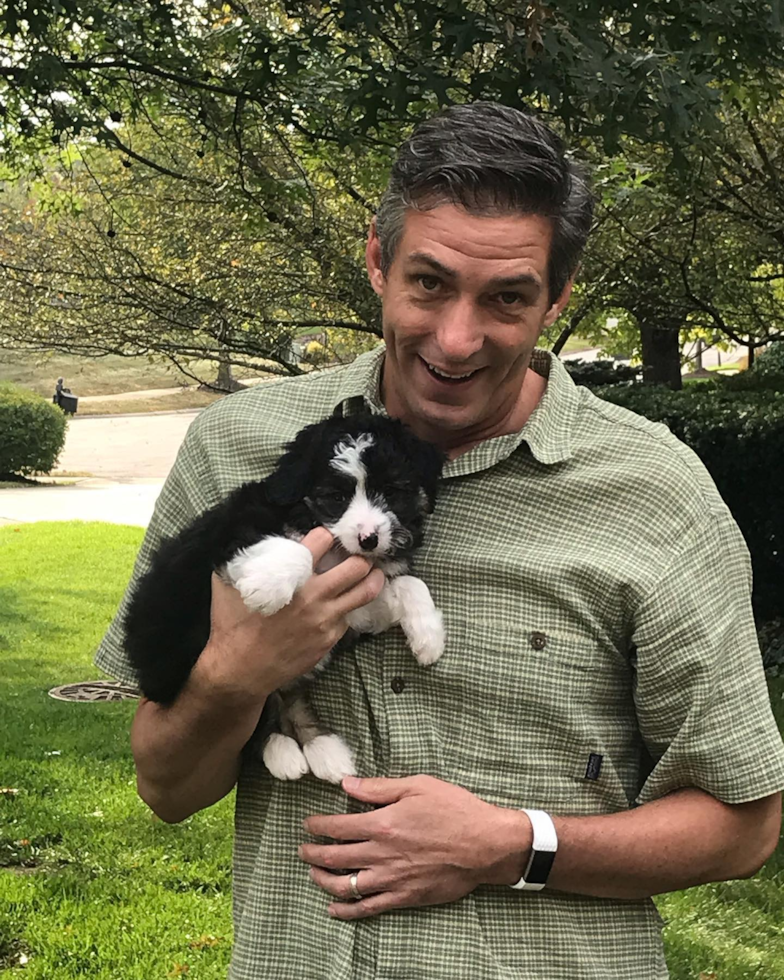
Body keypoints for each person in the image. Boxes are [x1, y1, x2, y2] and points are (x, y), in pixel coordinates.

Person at [95, 102, 784, 980]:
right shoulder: (238, 448)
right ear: (379, 263)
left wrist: (513, 845)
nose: (457, 341)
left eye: (507, 298)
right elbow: (168, 789)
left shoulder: (656, 494)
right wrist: (237, 670)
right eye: (428, 283)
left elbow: (744, 824)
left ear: (559, 296)